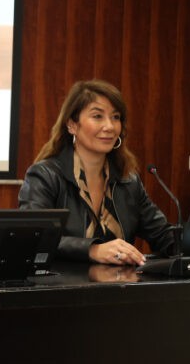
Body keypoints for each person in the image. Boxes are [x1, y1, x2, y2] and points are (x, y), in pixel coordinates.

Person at [17, 79, 177, 265]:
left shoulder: (128, 181)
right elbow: (33, 237)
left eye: (116, 117)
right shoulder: (45, 176)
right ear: (72, 125)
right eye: (97, 116)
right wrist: (92, 250)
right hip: (62, 281)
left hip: (119, 282)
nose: (109, 126)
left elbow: (163, 235)